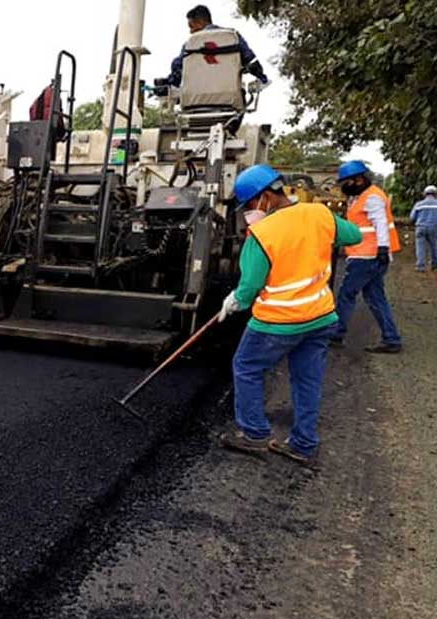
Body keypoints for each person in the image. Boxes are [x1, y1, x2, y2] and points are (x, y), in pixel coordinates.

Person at [218, 165, 364, 466]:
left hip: (277, 322)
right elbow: (352, 236)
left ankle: (255, 434)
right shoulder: (318, 214)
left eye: (250, 205)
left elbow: (250, 287)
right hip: (321, 317)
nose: (249, 212)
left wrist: (233, 301)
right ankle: (304, 444)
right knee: (307, 380)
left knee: (245, 366)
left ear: (265, 198)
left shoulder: (261, 233)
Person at [332, 160, 403, 353]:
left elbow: (380, 223)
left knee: (347, 294)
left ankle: (336, 334)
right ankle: (392, 339)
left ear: (358, 179)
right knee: (375, 297)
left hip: (367, 256)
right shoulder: (360, 196)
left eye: (347, 182)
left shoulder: (372, 197)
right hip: (369, 255)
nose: (344, 186)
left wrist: (382, 248)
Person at [166, 4, 269, 91]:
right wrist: (262, 79)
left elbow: (177, 67)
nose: (190, 31)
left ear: (201, 22)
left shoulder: (190, 44)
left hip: (195, 98)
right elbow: (250, 60)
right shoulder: (232, 37)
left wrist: (170, 84)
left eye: (192, 26)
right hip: (231, 96)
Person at [410, 184, 437, 272]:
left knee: (420, 247)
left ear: (425, 194)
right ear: (435, 194)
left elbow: (412, 217)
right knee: (434, 246)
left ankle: (420, 266)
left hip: (420, 227)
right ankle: (435, 265)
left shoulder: (419, 204)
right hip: (433, 227)